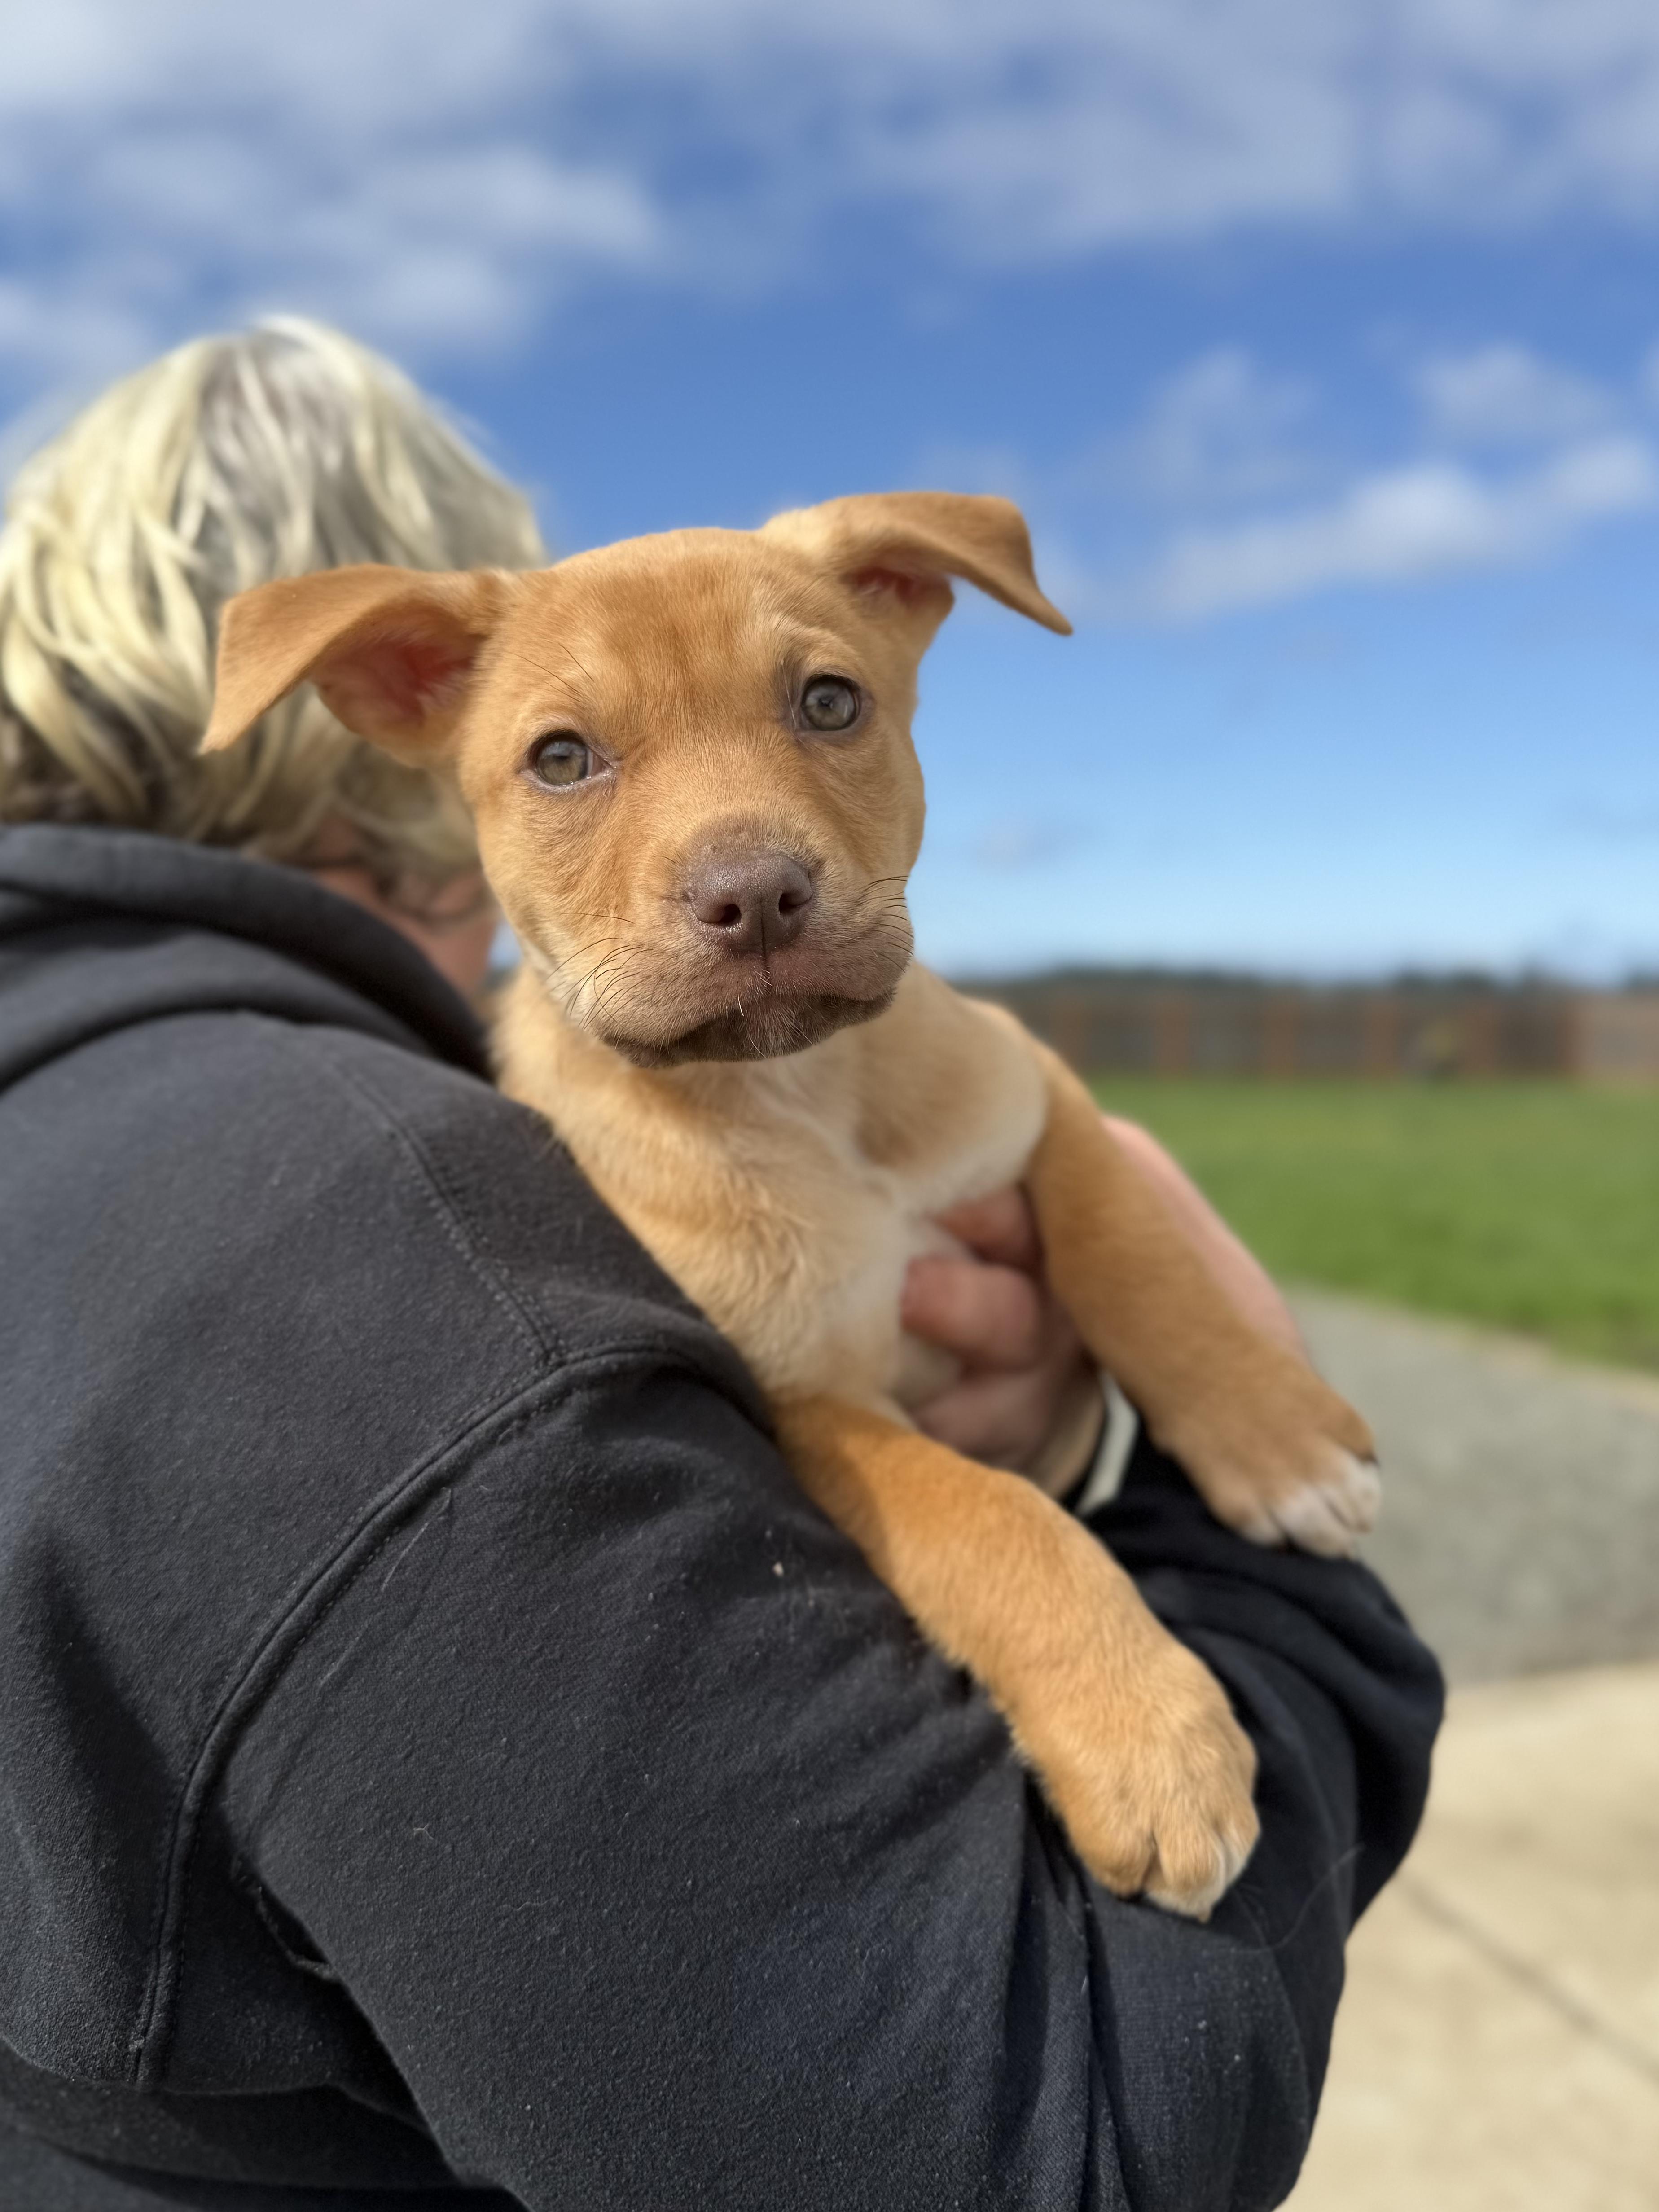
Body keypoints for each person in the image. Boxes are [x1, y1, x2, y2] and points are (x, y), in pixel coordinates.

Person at [0, 321, 1441, 2212]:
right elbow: (1030, 2126)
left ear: (920, 626)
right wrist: (1156, 1543)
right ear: (393, 703)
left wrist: (1170, 1345)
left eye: (822, 703)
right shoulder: (444, 1219)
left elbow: (1051, 1118)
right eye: (574, 754)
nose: (738, 850)